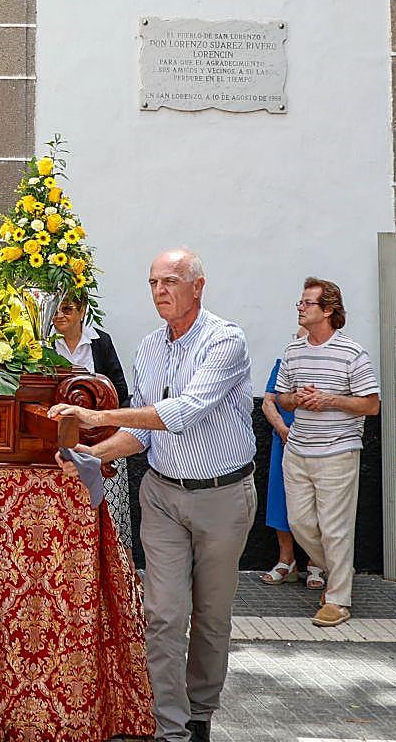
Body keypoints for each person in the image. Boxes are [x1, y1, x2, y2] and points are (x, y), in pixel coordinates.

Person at [51, 247, 255, 742]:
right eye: (153, 284)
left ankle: (201, 713)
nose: (160, 292)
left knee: (210, 616)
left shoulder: (225, 341)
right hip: (162, 494)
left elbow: (179, 413)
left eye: (170, 281)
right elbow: (145, 435)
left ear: (197, 287)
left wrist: (98, 419)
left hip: (223, 496)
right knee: (164, 613)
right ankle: (172, 729)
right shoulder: (148, 347)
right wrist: (91, 455)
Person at [272, 278, 379, 628]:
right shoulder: (293, 351)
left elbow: (372, 406)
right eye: (300, 303)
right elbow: (281, 397)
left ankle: (337, 600)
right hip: (299, 449)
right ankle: (339, 573)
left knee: (334, 528)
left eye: (307, 303)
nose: (300, 308)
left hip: (338, 451)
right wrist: (297, 399)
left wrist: (329, 400)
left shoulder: (352, 353)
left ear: (328, 310)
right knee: (300, 523)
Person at [50, 293, 137, 561]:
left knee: (110, 502)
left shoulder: (100, 342)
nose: (60, 316)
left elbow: (119, 388)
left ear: (83, 310)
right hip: (61, 437)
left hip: (101, 434)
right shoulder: (45, 344)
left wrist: (100, 421)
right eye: (55, 310)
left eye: (67, 309)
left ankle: (119, 563)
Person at [258, 358, 304, 586]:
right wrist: (282, 429)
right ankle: (287, 559)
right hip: (284, 440)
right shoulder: (284, 363)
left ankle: (317, 561)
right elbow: (268, 402)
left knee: (316, 503)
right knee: (280, 498)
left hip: (318, 443)